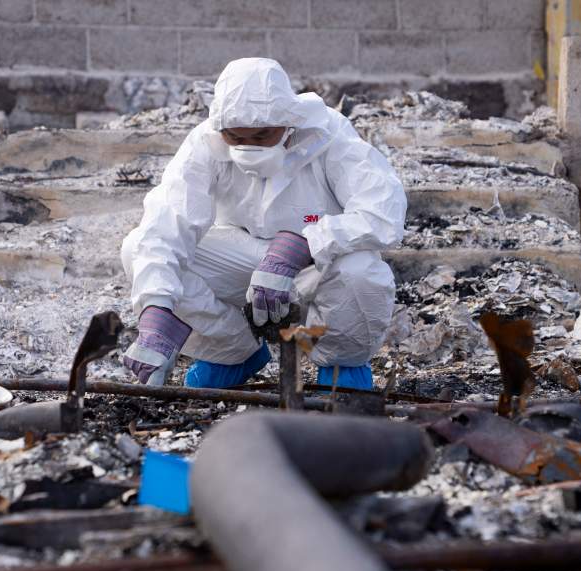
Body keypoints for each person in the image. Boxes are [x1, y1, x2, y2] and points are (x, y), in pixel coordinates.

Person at [120, 57, 406, 390]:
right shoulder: (205, 142)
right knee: (137, 247)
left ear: (288, 122)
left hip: (316, 267)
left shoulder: (328, 133)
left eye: (261, 135)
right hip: (244, 262)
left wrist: (303, 245)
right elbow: (166, 223)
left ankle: (341, 365)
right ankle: (234, 351)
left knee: (362, 269)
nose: (248, 147)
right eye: (235, 137)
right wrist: (156, 310)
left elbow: (384, 212)